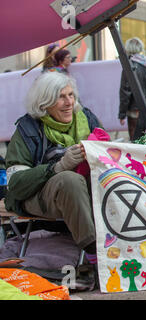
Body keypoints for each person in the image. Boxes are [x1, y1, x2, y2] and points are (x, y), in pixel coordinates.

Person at [4, 72, 101, 264]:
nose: (69, 102)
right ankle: (94, 253)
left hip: (88, 193)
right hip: (38, 197)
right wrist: (58, 166)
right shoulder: (27, 129)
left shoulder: (87, 119)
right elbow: (16, 184)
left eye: (71, 95)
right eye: (60, 97)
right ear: (44, 103)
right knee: (69, 179)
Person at [119, 37, 146, 141]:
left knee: (134, 140)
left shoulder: (128, 66)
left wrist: (122, 114)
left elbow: (125, 92)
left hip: (133, 110)